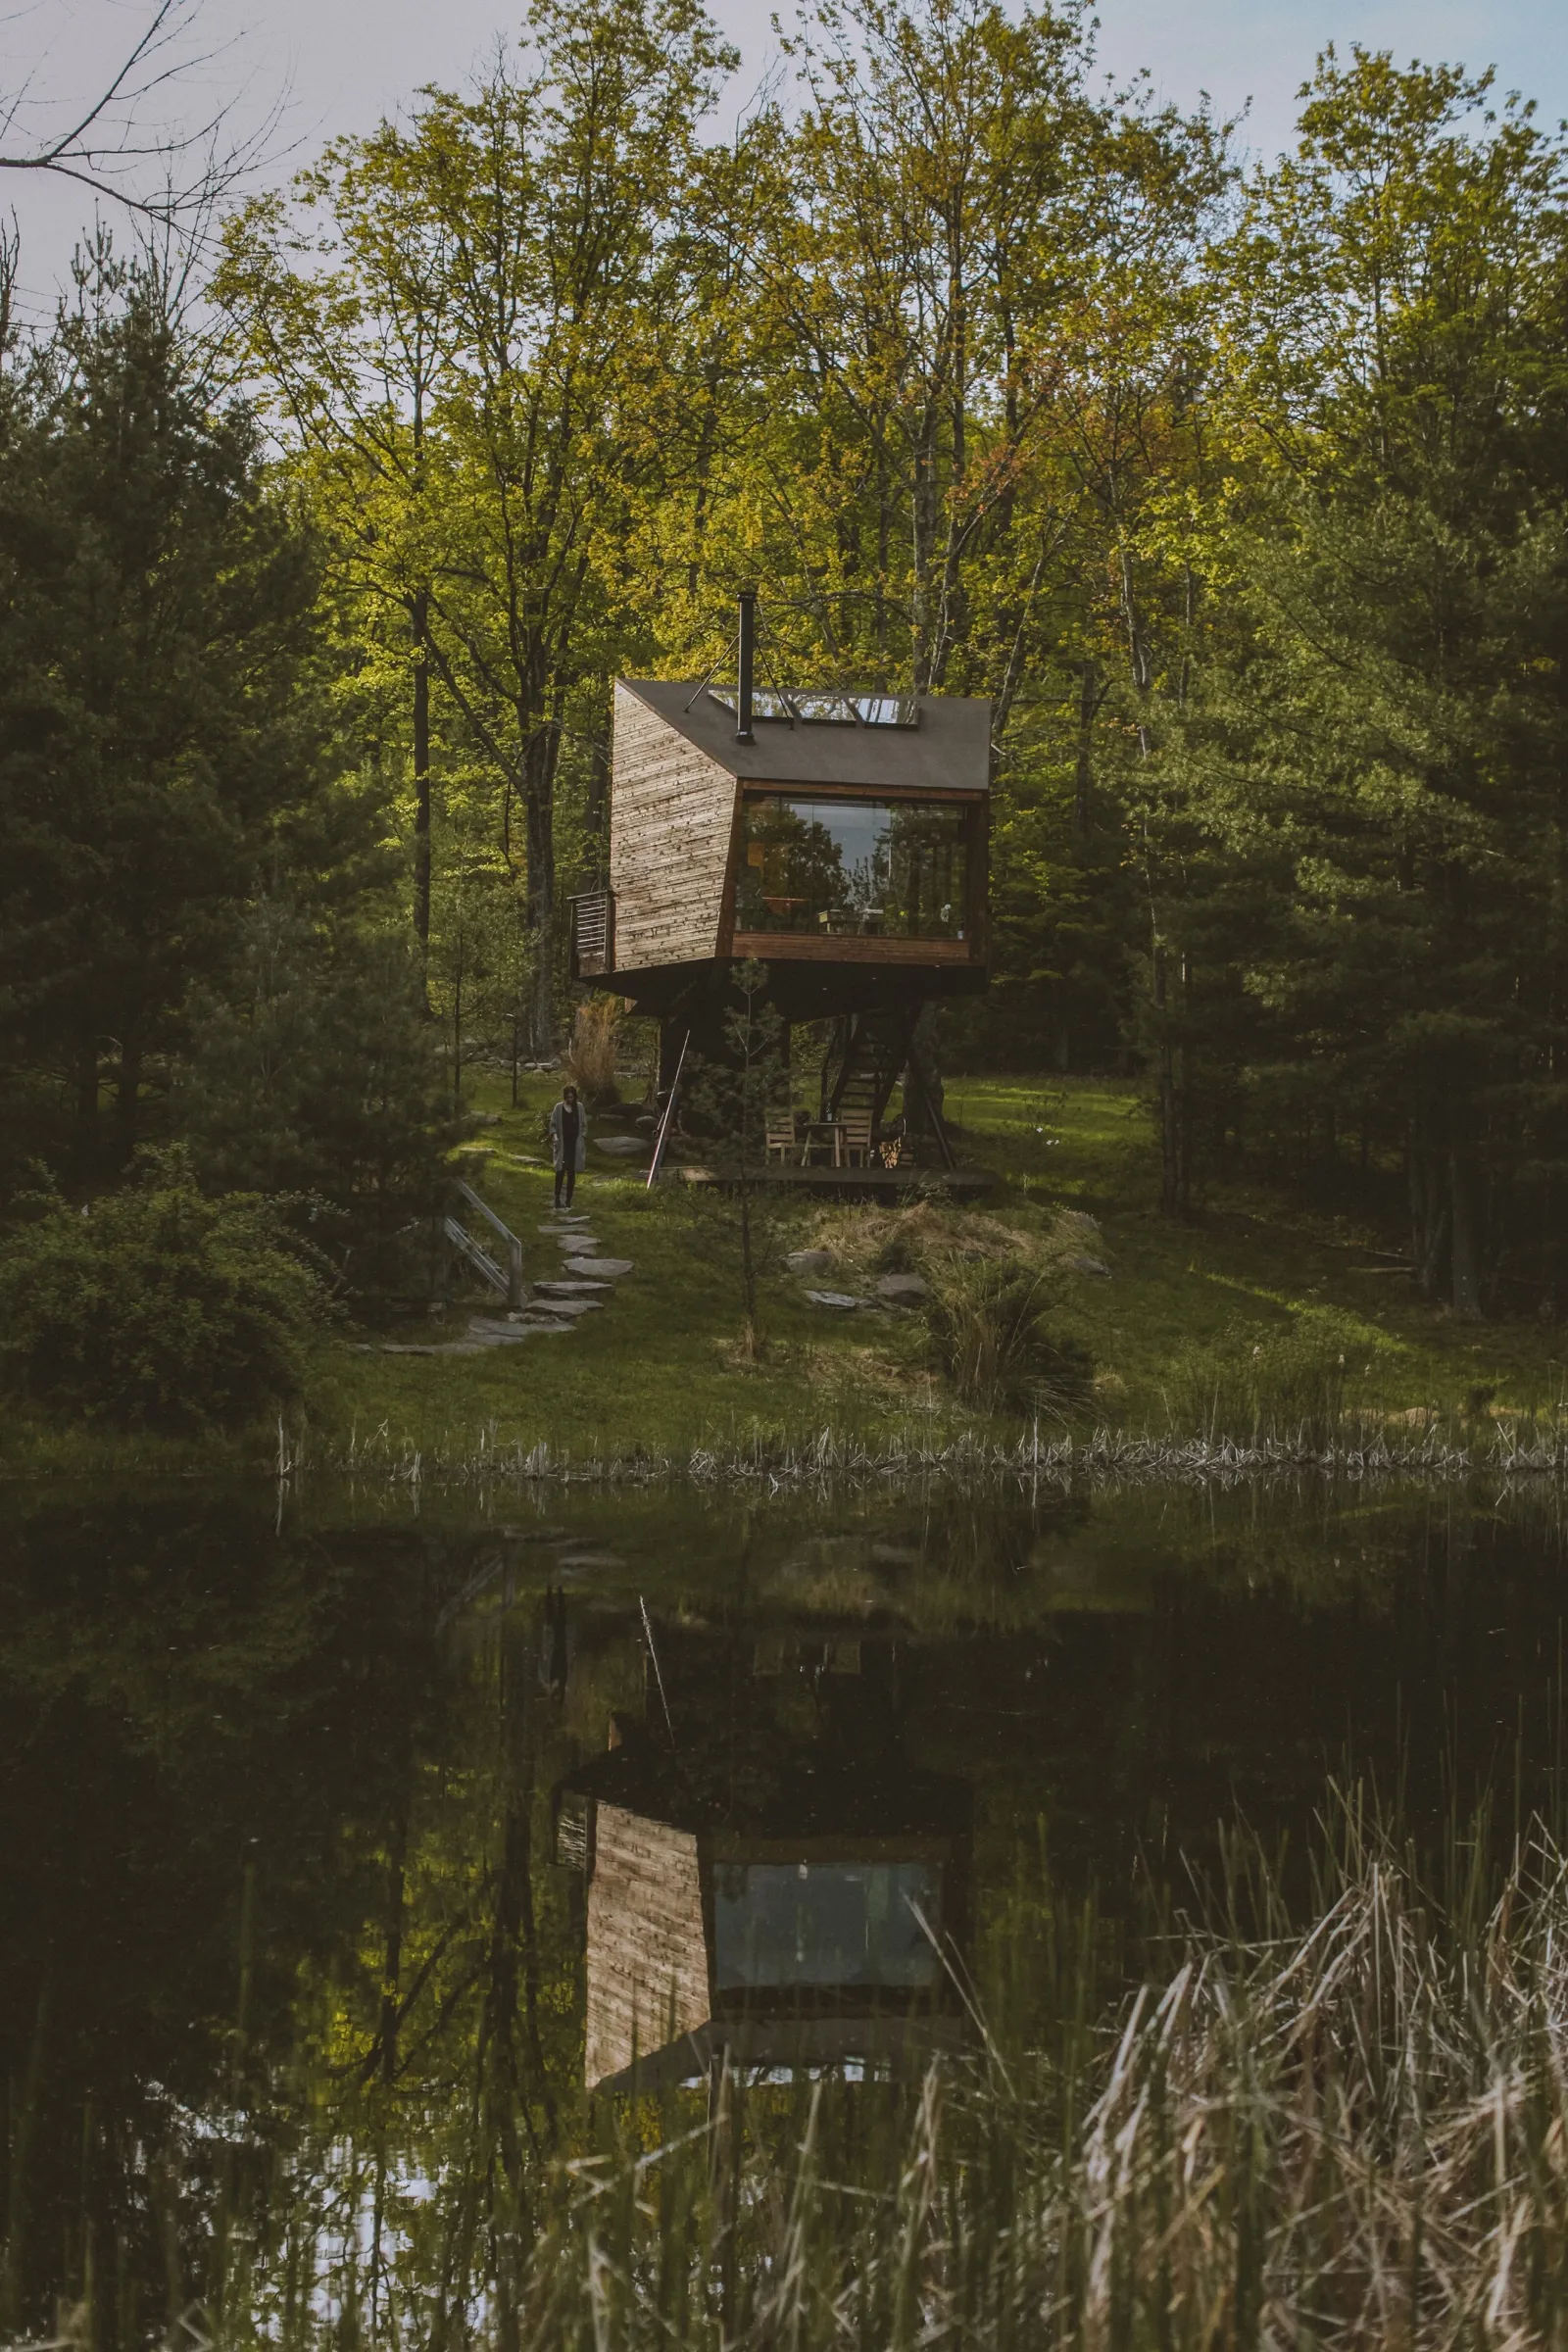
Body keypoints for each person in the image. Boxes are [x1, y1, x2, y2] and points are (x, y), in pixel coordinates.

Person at [549, 1083, 588, 1208]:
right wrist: (555, 1137)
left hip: (574, 1145)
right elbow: (553, 1125)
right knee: (560, 1171)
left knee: (571, 1173)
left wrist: (582, 1138)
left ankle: (568, 1200)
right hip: (562, 1144)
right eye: (568, 1097)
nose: (570, 1100)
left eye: (572, 1097)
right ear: (565, 1097)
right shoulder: (558, 1108)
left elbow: (584, 1126)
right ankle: (557, 1198)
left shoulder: (580, 1108)